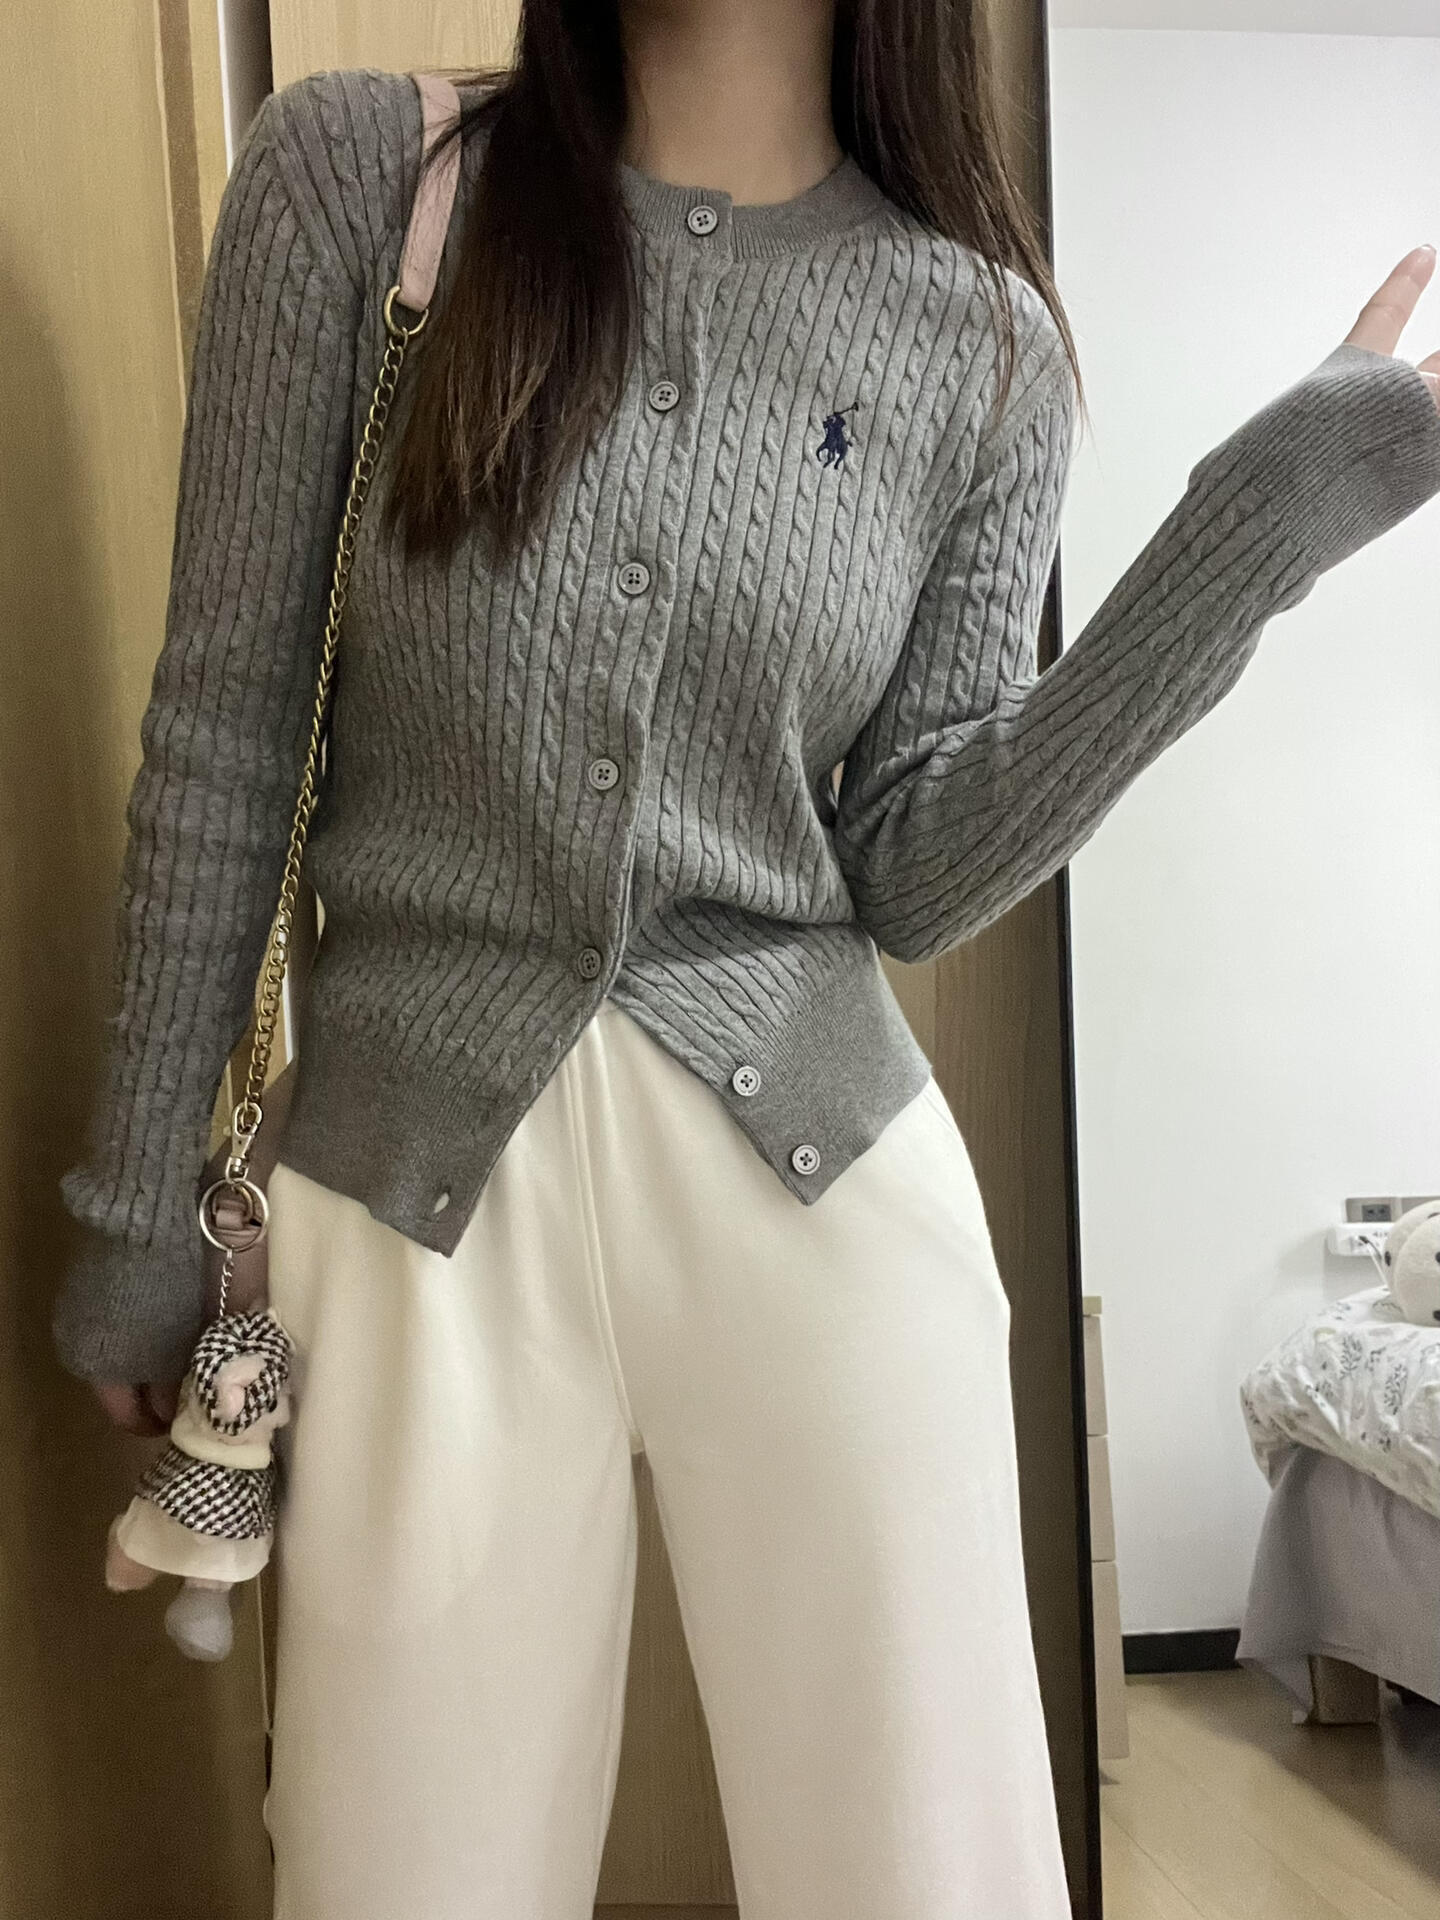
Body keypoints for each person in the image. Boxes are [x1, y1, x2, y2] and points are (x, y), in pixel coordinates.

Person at [53, 2, 1440, 1914]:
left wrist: (1253, 537)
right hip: (409, 1196)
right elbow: (225, 727)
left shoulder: (984, 342)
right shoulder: (368, 181)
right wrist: (141, 1207)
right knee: (398, 1873)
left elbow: (918, 867)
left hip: (823, 1184)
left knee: (930, 1869)